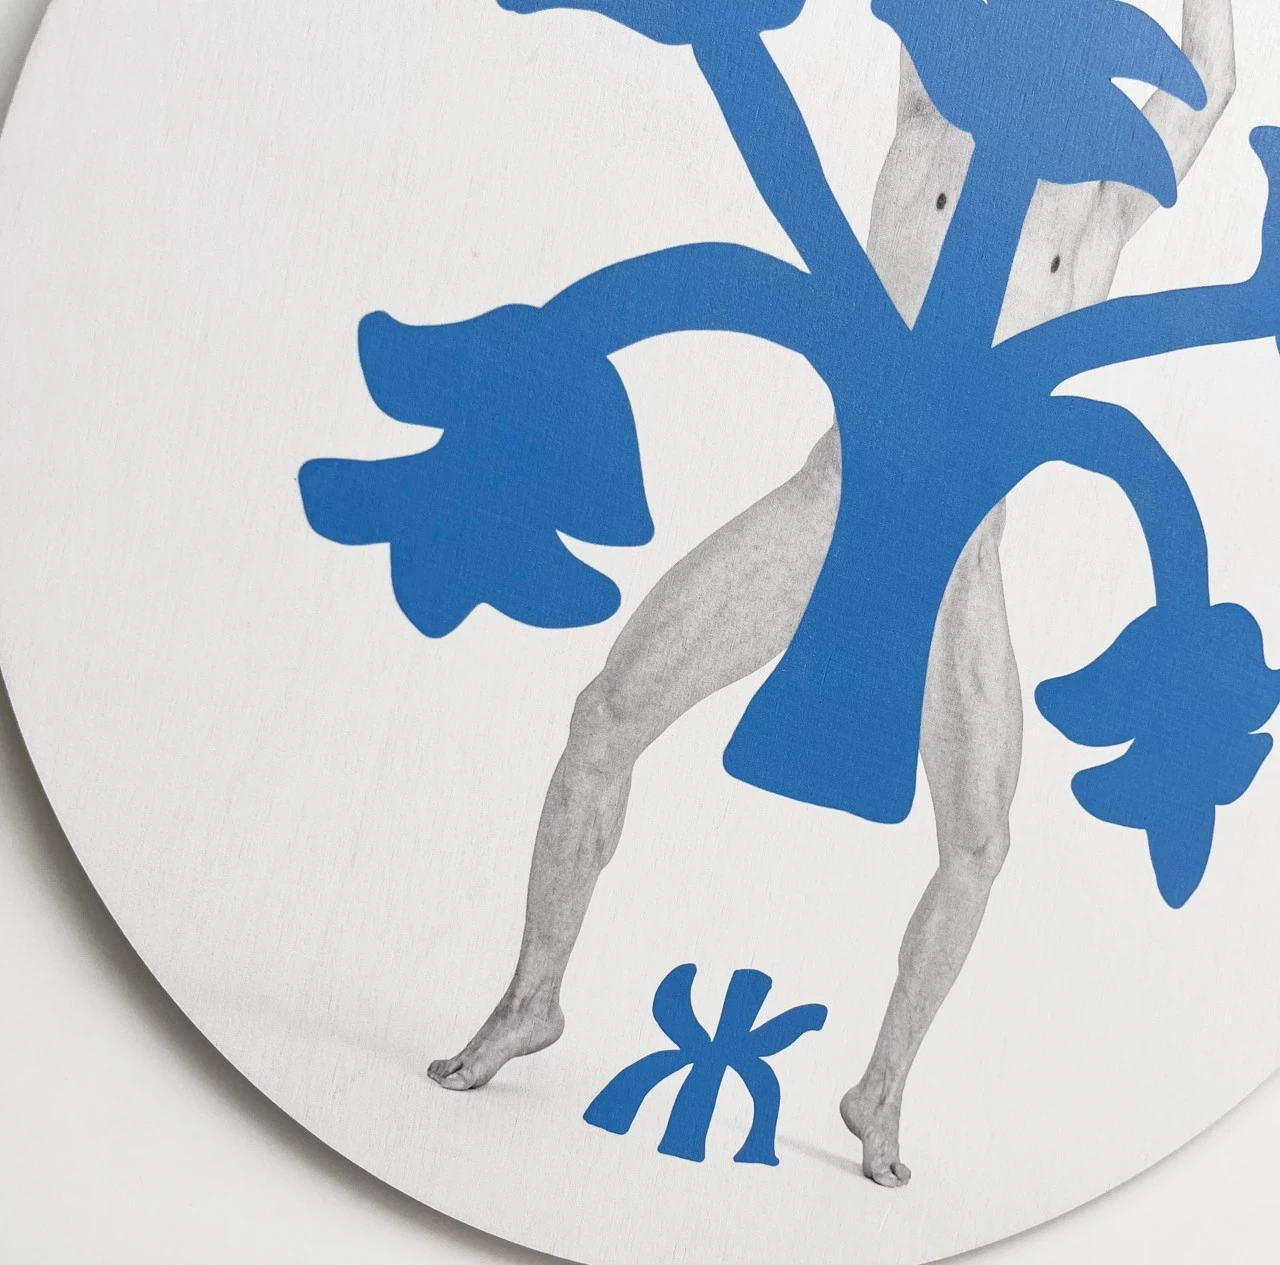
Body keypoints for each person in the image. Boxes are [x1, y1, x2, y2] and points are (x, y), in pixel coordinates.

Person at [428, 0, 1238, 1186]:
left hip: (961, 563)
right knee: (605, 716)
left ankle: (880, 1086)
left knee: (978, 840)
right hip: (826, 510)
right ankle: (531, 994)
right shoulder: (933, 110)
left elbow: (1211, 73)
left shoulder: (1106, 203)